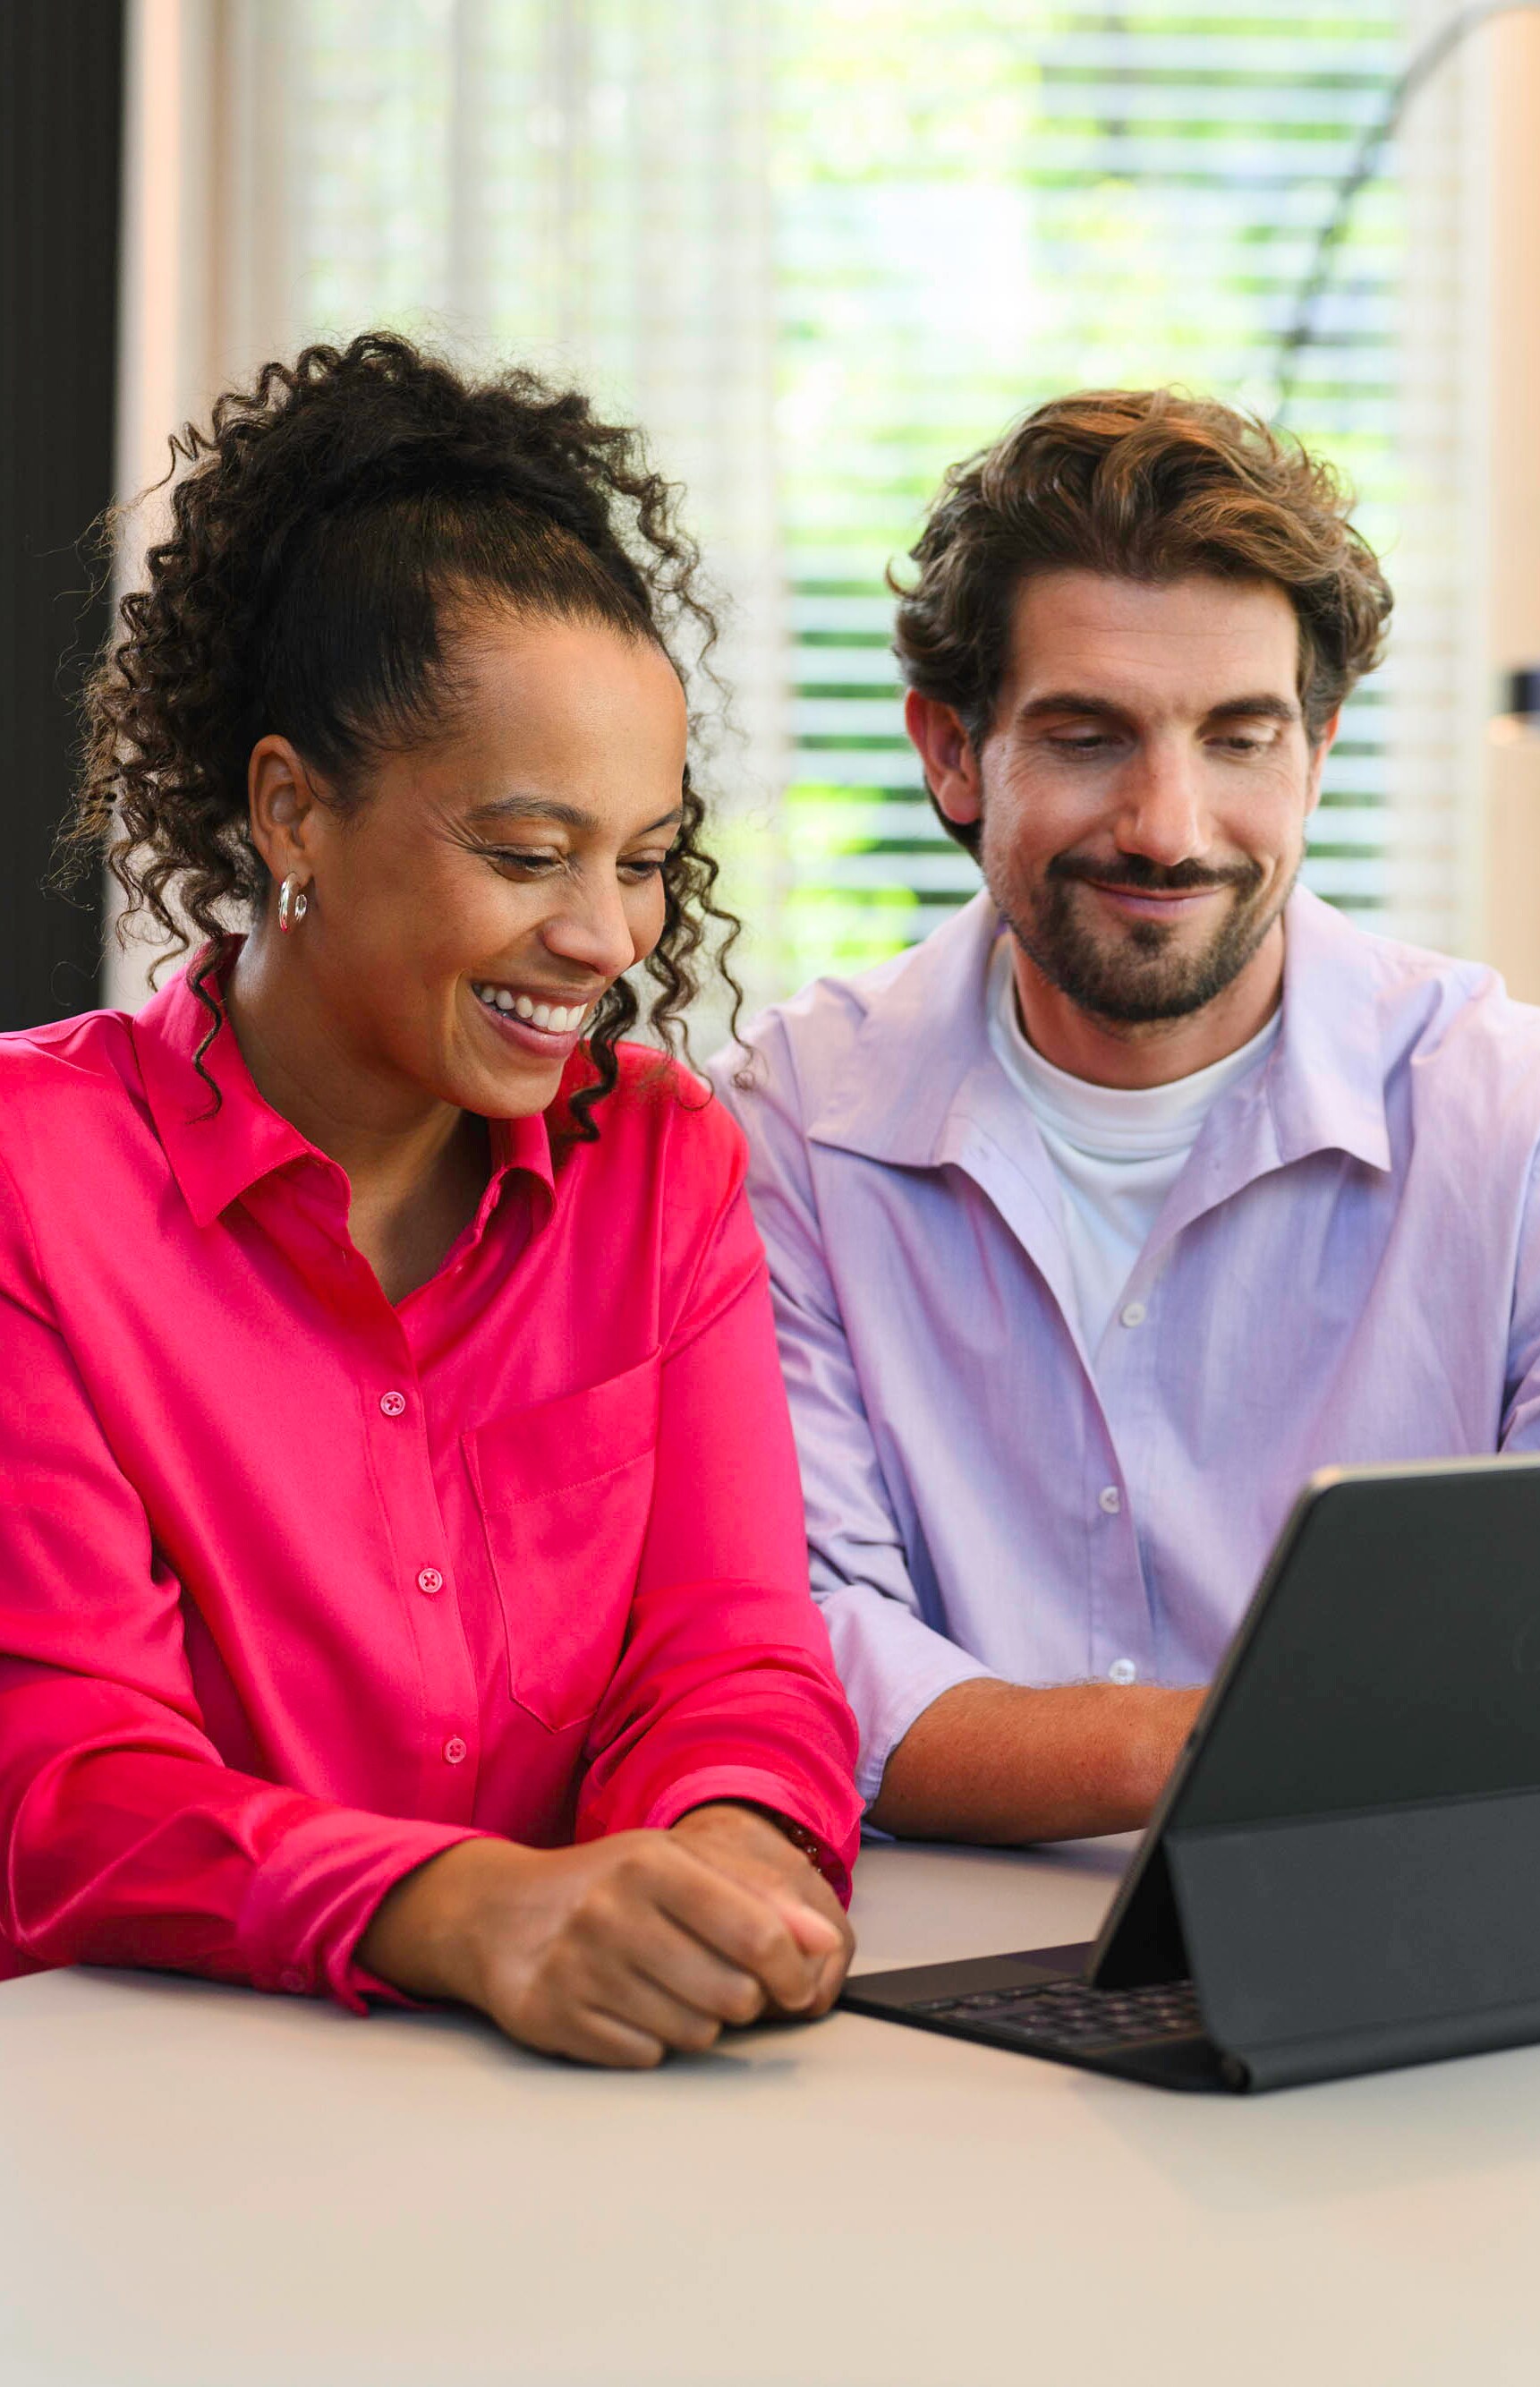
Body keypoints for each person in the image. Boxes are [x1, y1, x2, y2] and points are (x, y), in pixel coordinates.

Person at [715, 387, 1540, 1858]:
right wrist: (1296, 1751)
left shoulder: (1536, 1130)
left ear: (1318, 752)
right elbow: (784, 1649)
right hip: (921, 1991)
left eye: (1238, 738)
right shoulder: (795, 1124)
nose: (1170, 825)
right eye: (1090, 735)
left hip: (1420, 1959)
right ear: (954, 755)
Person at [0, 333, 860, 2067]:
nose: (609, 938)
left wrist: (724, 1870)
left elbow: (735, 1661)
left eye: (642, 859)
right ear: (292, 811)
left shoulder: (663, 1166)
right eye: (530, 854)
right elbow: (74, 1789)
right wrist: (471, 1908)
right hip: (149, 2135)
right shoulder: (35, 1183)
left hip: (572, 2102)